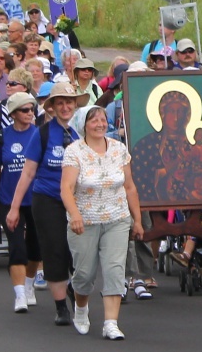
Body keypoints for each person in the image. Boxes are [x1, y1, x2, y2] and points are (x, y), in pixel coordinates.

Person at [6, 82, 88, 326]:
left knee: (79, 252)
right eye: (60, 103)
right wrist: (14, 207)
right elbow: (28, 173)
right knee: (54, 250)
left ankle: (76, 291)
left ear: (74, 106)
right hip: (47, 199)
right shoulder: (41, 134)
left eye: (69, 102)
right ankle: (61, 306)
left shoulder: (78, 137)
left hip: (73, 201)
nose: (65, 107)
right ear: (52, 107)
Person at [61, 106, 143, 339]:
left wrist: (137, 219)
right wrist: (75, 214)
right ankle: (81, 308)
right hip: (84, 221)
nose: (100, 123)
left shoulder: (118, 148)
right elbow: (66, 188)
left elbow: (129, 186)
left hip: (117, 218)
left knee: (114, 269)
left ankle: (111, 323)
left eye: (103, 119)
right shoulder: (74, 151)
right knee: (84, 273)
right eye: (93, 120)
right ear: (83, 125)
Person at [0, 92, 41, 313]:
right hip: (8, 199)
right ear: (13, 114)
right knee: (17, 246)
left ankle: (29, 285)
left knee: (35, 248)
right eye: (24, 110)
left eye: (32, 110)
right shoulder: (1, 137)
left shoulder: (40, 135)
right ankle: (19, 294)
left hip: (36, 199)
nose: (30, 114)